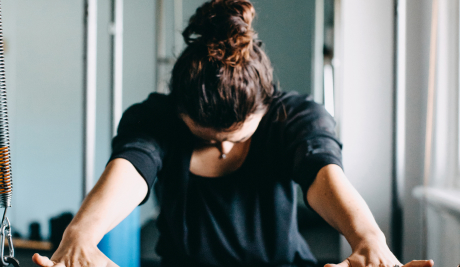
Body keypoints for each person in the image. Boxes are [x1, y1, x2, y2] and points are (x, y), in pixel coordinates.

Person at [32, 0, 434, 266]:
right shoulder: (154, 118)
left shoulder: (294, 116)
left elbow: (321, 170)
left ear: (266, 104)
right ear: (180, 109)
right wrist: (81, 234)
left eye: (238, 136)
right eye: (207, 136)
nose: (223, 145)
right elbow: (133, 165)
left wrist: (369, 239)